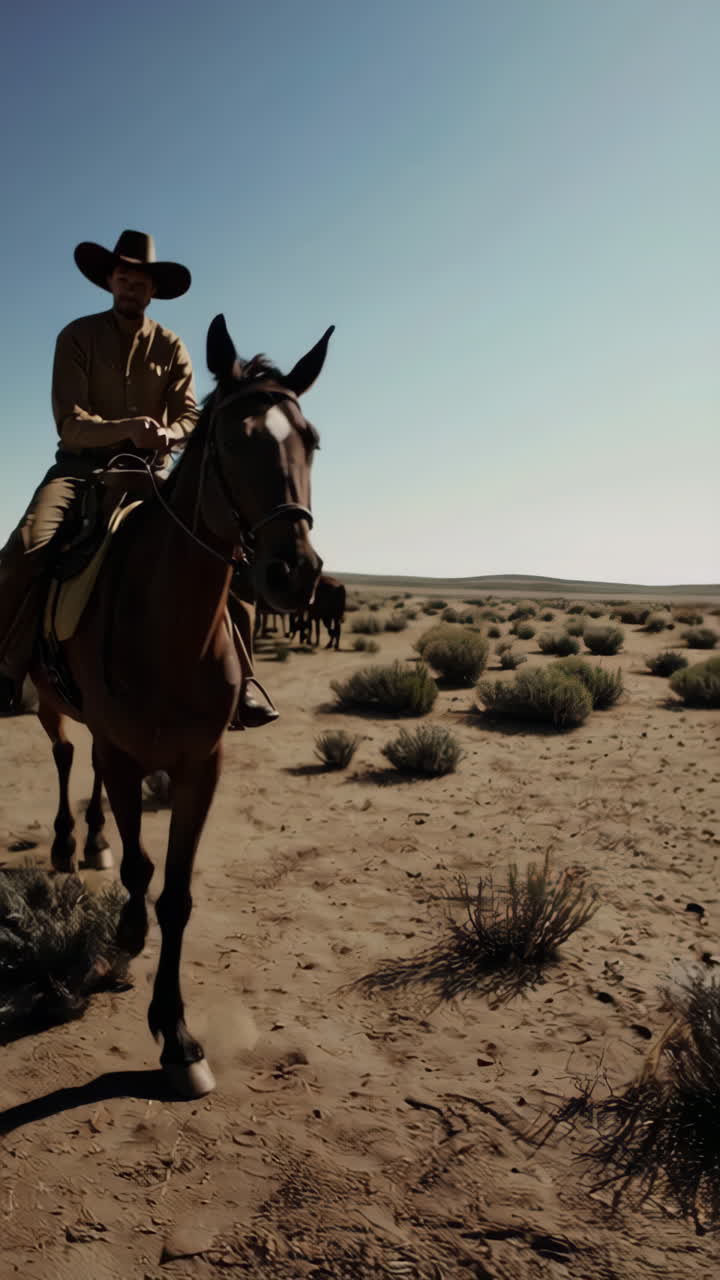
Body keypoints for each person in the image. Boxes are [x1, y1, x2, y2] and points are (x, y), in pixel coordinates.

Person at [0, 228, 277, 727]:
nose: (132, 288)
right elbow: (70, 423)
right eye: (124, 278)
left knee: (221, 552)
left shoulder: (171, 347)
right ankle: (6, 667)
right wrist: (127, 427)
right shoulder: (77, 336)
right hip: (79, 471)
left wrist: (169, 434)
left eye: (141, 282)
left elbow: (190, 415)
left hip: (153, 478)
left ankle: (244, 682)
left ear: (153, 291)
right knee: (27, 547)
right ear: (110, 281)